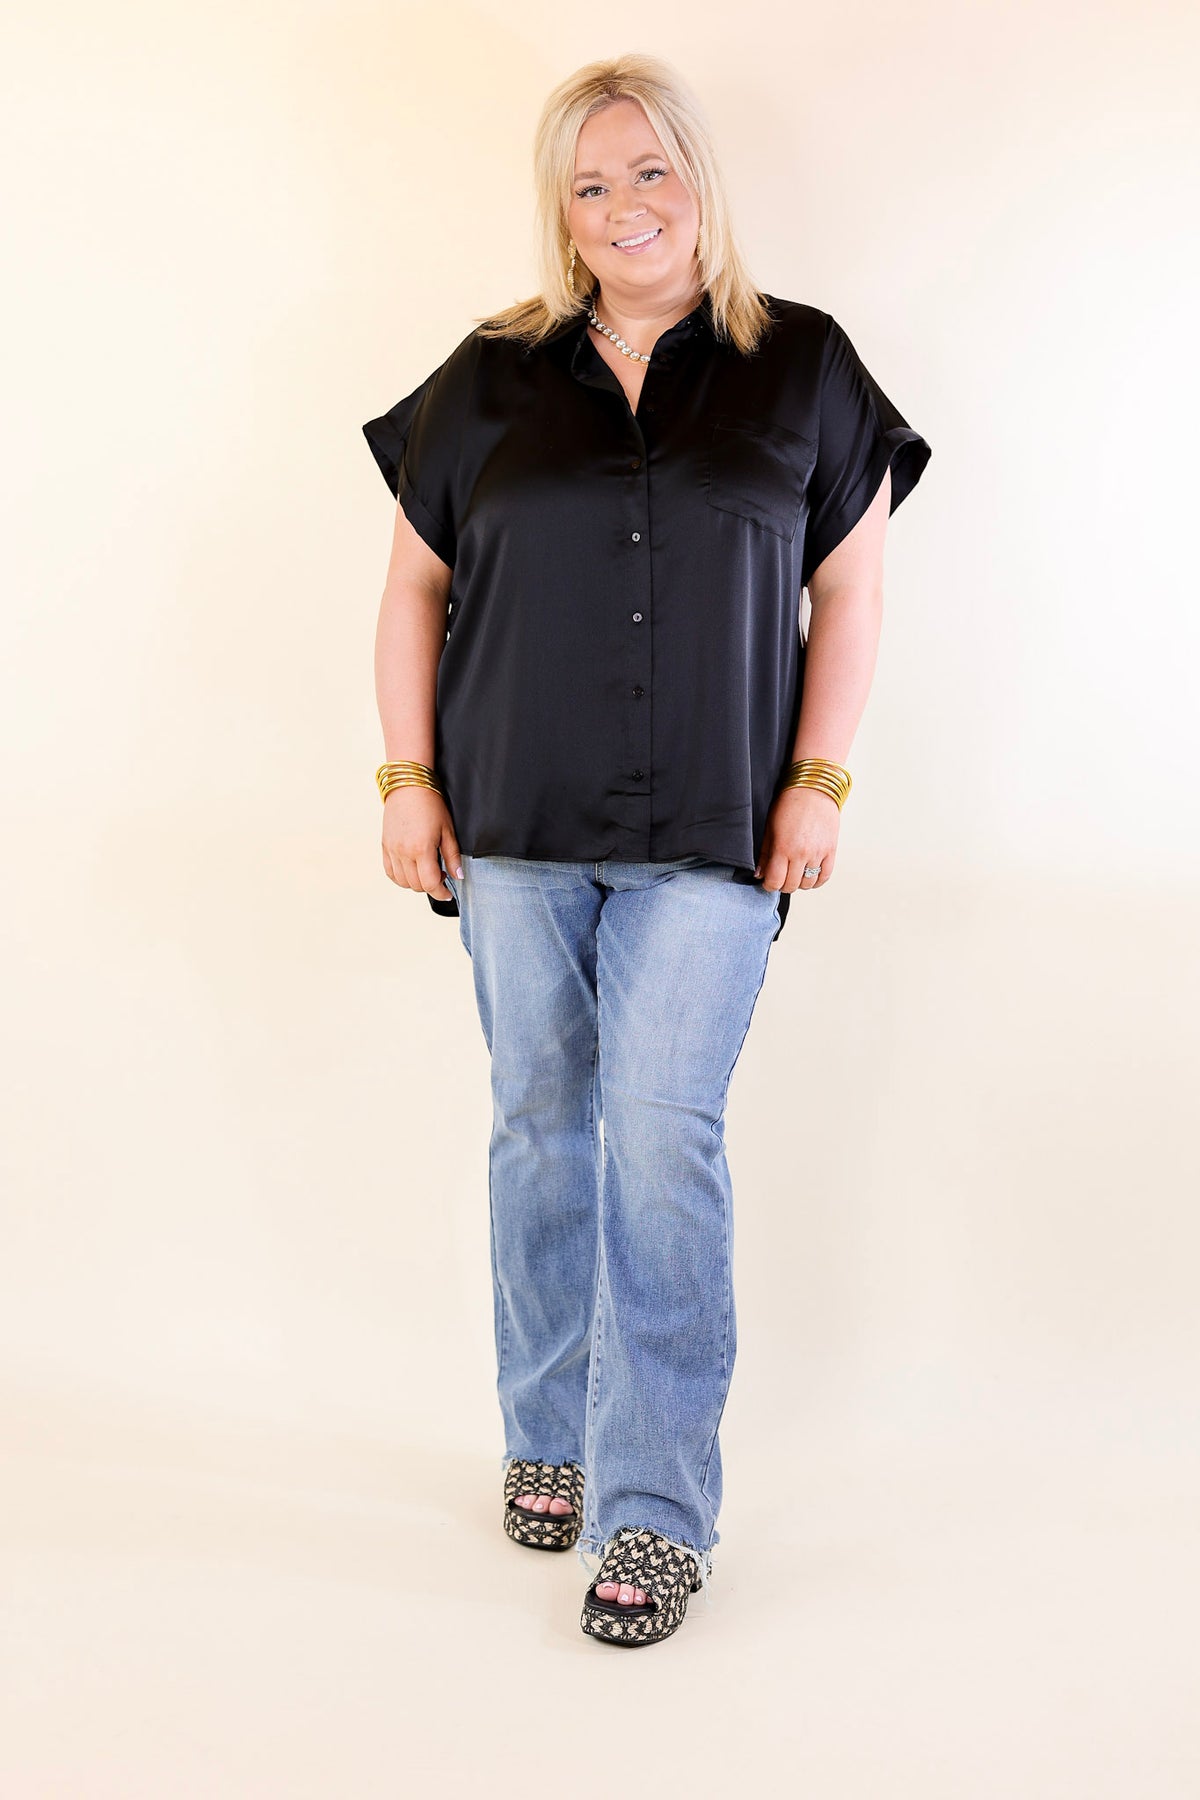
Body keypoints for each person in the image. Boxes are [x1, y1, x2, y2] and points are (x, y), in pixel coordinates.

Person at [363, 52, 931, 1648]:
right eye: (591, 184)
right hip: (512, 821)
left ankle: (655, 1510)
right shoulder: (490, 374)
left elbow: (851, 591)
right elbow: (412, 590)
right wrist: (406, 778)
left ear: (699, 181)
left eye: (650, 171)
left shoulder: (805, 366)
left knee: (660, 1136)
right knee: (538, 1125)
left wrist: (819, 779)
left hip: (711, 830)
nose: (626, 207)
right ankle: (547, 1431)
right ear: (563, 212)